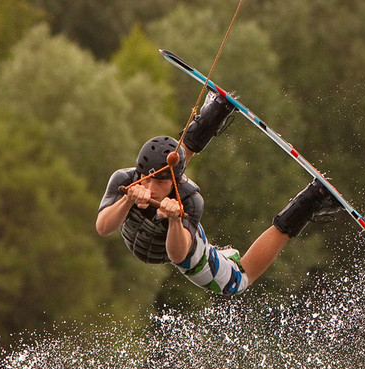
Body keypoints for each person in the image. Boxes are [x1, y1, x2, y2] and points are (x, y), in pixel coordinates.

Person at [96, 90, 341, 296]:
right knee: (170, 162)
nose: (151, 188)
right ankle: (215, 112)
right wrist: (128, 199)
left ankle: (311, 200)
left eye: (161, 182)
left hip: (181, 244)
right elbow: (103, 228)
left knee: (238, 283)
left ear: (176, 183)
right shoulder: (123, 180)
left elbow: (178, 254)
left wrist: (174, 220)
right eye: (146, 179)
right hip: (143, 231)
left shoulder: (190, 199)